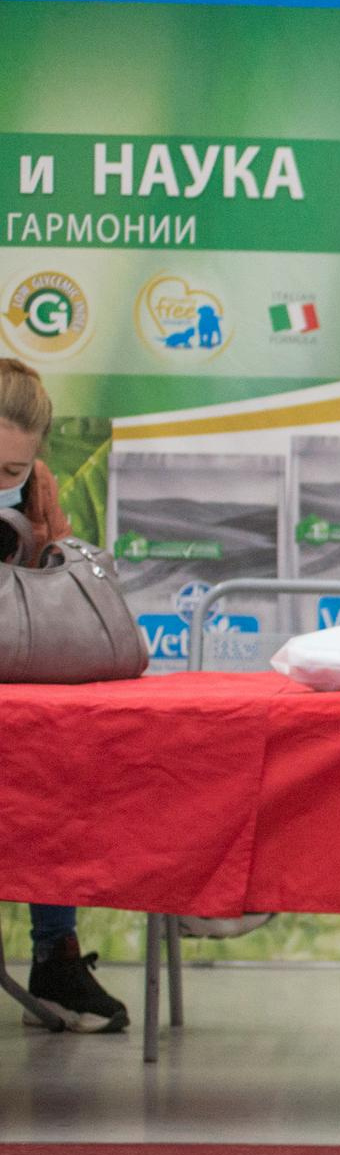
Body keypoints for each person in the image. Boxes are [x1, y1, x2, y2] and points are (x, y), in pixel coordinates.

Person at [0, 356, 127, 1033]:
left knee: (56, 777)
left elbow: (61, 589)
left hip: (17, 703)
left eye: (10, 471)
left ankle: (55, 959)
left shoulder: (40, 487)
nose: (0, 482)